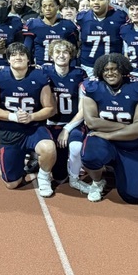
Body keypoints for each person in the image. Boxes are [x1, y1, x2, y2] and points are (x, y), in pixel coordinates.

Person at [64, 53, 138, 203]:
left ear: (122, 69)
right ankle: (97, 182)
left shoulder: (137, 87)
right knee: (91, 155)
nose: (110, 73)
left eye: (114, 69)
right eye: (106, 70)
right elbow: (92, 122)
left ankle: (119, 168)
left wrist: (108, 135)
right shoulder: (92, 86)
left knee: (134, 197)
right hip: (103, 142)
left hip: (129, 145)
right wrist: (128, 126)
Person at [0, 43, 57, 197]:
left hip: (34, 128)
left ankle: (44, 177)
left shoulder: (39, 76)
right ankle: (16, 166)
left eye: (22, 55)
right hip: (10, 131)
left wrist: (31, 117)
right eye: (14, 55)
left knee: (48, 148)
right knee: (11, 184)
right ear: (8, 60)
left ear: (28, 59)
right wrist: (13, 116)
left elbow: (50, 108)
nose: (18, 57)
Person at [41, 39, 87, 186]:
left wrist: (67, 129)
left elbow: (83, 108)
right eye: (57, 52)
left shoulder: (79, 74)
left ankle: (75, 176)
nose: (61, 55)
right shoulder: (44, 72)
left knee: (76, 147)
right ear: (51, 56)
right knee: (59, 175)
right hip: (50, 123)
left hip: (72, 123)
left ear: (71, 55)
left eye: (65, 52)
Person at [77, 0, 128, 75]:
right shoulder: (82, 17)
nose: (96, 2)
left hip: (112, 68)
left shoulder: (121, 17)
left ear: (108, 0)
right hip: (87, 67)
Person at [22, 0, 78, 66]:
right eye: (44, 6)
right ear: (41, 8)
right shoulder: (33, 24)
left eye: (51, 6)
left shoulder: (68, 25)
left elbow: (73, 51)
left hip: (62, 68)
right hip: (40, 67)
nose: (47, 9)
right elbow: (27, 49)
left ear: (57, 7)